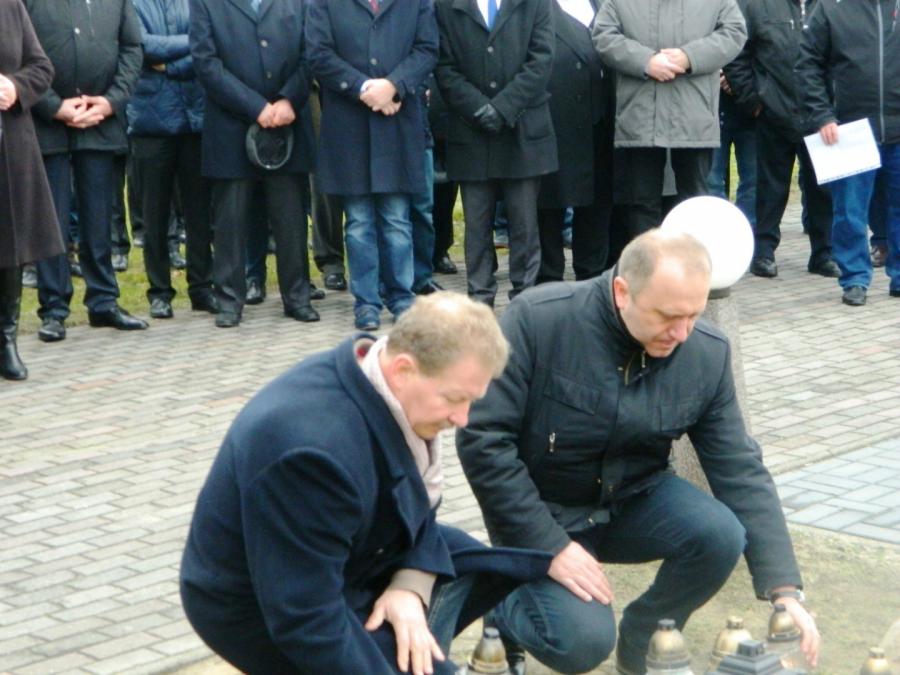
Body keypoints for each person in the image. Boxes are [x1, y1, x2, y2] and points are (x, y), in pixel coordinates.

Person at [456, 230, 821, 674]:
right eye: (668, 316)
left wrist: (785, 591)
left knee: (721, 535)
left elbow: (740, 468)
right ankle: (502, 602)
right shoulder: (540, 321)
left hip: (632, 497)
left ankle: (645, 642)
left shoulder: (705, 353)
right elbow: (483, 440)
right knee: (581, 644)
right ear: (622, 291)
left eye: (693, 315)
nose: (682, 333)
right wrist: (548, 545)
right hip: (541, 510)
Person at [180, 292, 550, 674]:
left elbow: (420, 510)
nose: (463, 419)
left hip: (344, 563)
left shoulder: (384, 383)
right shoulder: (313, 455)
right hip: (257, 608)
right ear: (404, 370)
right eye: (455, 399)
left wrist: (409, 585)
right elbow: (307, 620)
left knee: (479, 568)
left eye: (472, 401)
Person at [306, 0, 439, 332]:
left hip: (397, 120)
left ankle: (401, 296)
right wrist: (363, 88)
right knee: (359, 223)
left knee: (397, 220)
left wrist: (394, 86)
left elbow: (427, 49)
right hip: (349, 125)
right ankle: (366, 302)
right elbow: (318, 54)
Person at [190, 0, 319, 328]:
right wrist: (255, 107)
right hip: (230, 126)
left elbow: (312, 52)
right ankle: (229, 301)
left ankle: (297, 297)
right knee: (230, 220)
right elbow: (206, 62)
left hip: (288, 123)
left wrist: (289, 99)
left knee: (290, 218)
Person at [26, 0, 147, 342]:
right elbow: (17, 56)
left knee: (99, 216)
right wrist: (53, 106)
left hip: (100, 121)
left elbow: (132, 48)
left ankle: (103, 301)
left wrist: (112, 101)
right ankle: (53, 309)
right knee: (52, 220)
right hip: (47, 124)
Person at [434, 0, 558, 308]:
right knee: (476, 225)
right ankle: (479, 300)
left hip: (522, 129)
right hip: (470, 130)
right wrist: (477, 107)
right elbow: (444, 66)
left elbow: (541, 59)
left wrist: (503, 108)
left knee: (524, 224)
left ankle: (525, 301)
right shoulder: (445, 5)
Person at [592, 0, 746, 246]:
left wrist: (689, 57)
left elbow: (735, 32)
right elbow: (603, 36)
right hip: (641, 117)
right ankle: (647, 266)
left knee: (694, 204)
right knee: (641, 205)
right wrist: (645, 61)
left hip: (693, 117)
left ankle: (691, 266)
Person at [724, 0, 839, 280]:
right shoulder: (757, 5)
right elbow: (736, 54)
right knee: (769, 188)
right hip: (773, 113)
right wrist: (754, 101)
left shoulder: (829, 6)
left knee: (822, 190)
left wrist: (834, 106)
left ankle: (823, 253)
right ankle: (764, 253)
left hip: (819, 116)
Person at [797, 0, 900, 306]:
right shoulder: (831, 8)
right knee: (849, 211)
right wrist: (822, 115)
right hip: (850, 131)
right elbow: (807, 65)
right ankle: (855, 278)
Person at [127, 0, 217, 320]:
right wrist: (190, 43)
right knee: (154, 214)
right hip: (151, 123)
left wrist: (170, 65)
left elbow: (208, 46)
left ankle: (202, 287)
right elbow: (144, 46)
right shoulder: (133, 3)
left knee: (199, 212)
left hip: (195, 120)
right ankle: (159, 292)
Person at [0, 0, 63, 381]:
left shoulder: (10, 6)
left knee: (9, 248)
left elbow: (41, 67)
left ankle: (6, 338)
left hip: (10, 147)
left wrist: (15, 86)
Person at [537, 0, 615, 283]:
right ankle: (548, 277)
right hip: (554, 117)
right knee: (548, 202)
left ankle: (592, 271)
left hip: (601, 119)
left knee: (597, 200)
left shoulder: (602, 4)